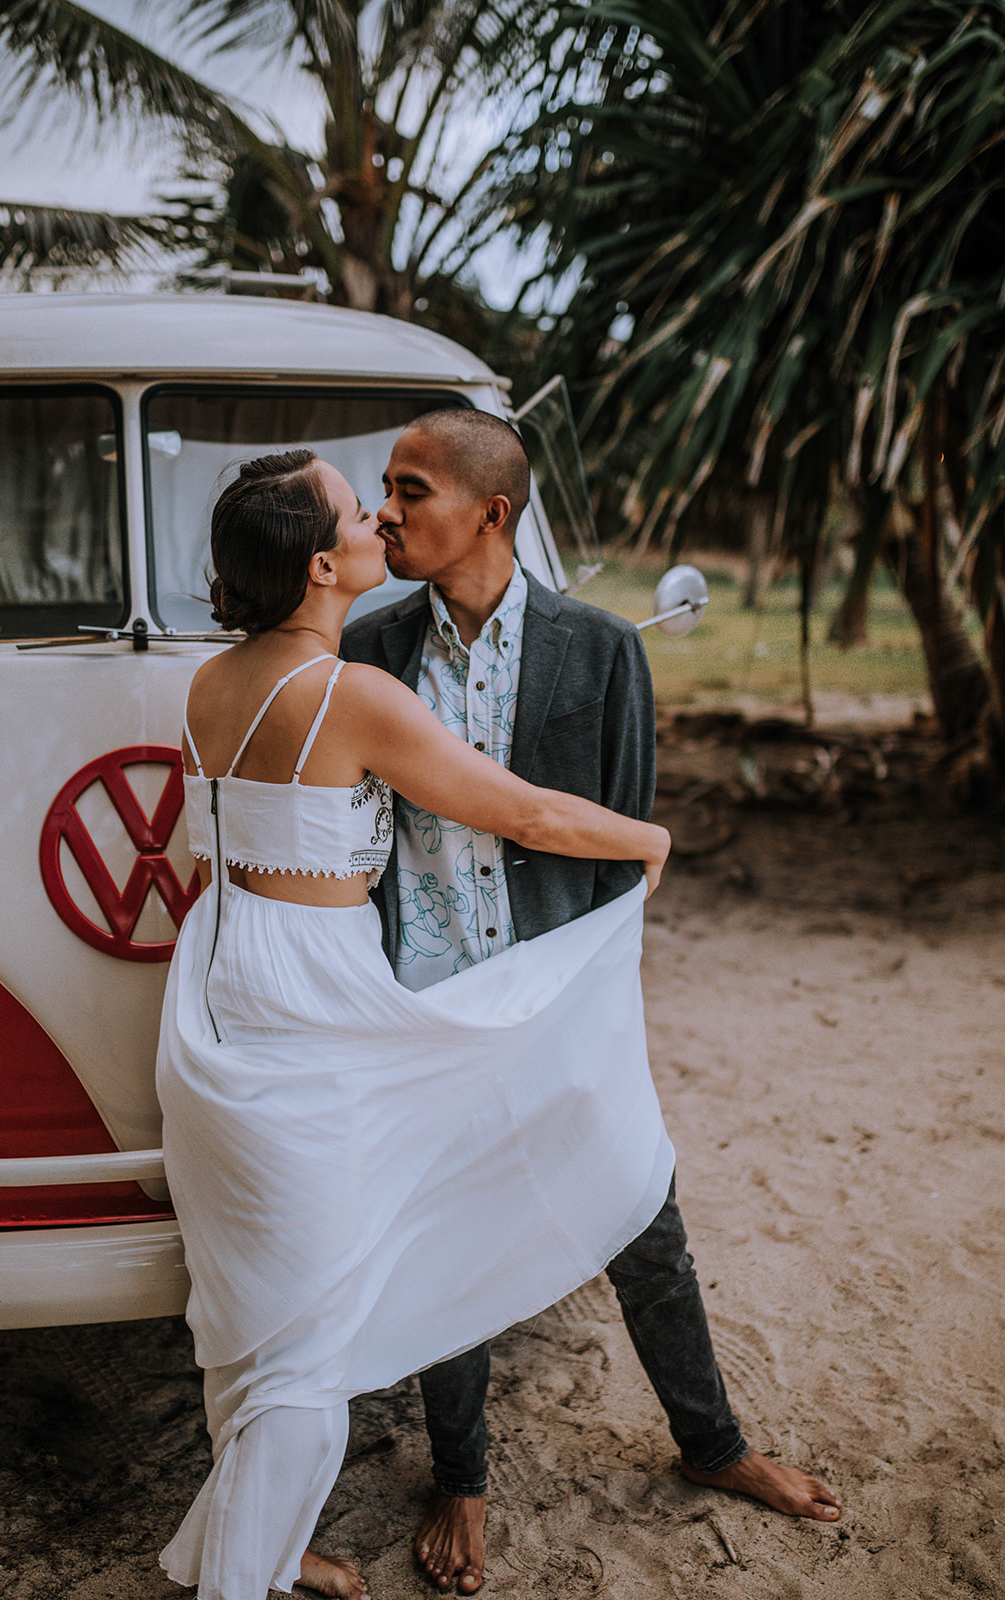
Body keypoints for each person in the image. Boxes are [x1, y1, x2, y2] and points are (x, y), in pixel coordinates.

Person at [156, 449, 675, 1600]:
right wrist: (646, 838)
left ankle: (259, 1544)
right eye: (357, 510)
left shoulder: (207, 684)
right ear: (320, 564)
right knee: (309, 1341)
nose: (379, 521)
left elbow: (223, 847)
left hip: (218, 988)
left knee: (260, 1296)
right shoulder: (351, 695)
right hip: (309, 1004)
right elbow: (524, 812)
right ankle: (238, 1578)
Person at [342, 408, 842, 1596]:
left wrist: (598, 1001)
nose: (385, 513)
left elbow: (620, 840)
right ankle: (460, 1476)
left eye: (410, 490)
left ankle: (712, 1445)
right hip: (427, 1003)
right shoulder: (368, 648)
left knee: (639, 1213)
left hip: (562, 991)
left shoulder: (601, 649)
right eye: (384, 490)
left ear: (490, 513)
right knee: (447, 1239)